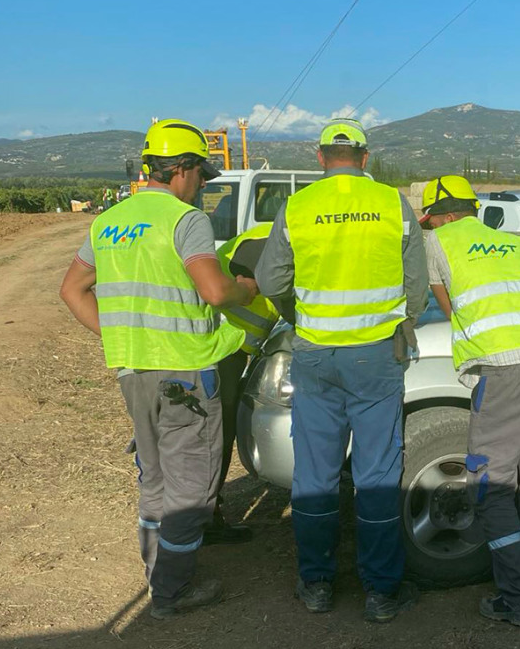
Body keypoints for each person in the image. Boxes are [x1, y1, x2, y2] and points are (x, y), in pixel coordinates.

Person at [59, 119, 259, 620]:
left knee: (154, 479)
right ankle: (170, 592)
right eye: (202, 177)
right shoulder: (184, 219)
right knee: (191, 486)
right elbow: (214, 291)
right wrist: (248, 291)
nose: (202, 187)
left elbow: (71, 291)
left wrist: (121, 335)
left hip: (134, 373)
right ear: (185, 171)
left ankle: (156, 575)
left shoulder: (109, 221)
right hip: (186, 374)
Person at [256, 119, 428, 622]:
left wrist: (301, 318)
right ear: (365, 157)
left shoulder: (299, 205)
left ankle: (317, 584)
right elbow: (414, 281)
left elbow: (270, 280)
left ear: (319, 157)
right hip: (376, 354)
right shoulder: (391, 203)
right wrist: (404, 322)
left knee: (316, 473)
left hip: (315, 355)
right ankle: (380, 592)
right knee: (377, 474)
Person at [420, 175, 520, 628]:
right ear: (471, 208)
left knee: (491, 484)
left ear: (442, 216)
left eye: (431, 220)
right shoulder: (518, 245)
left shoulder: (438, 244)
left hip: (505, 374)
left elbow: (450, 310)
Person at [212, 222, 281, 530]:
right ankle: (206, 514)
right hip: (220, 346)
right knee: (218, 430)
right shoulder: (272, 242)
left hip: (231, 346)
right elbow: (249, 275)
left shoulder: (271, 233)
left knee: (218, 429)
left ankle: (206, 507)